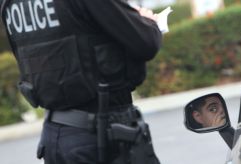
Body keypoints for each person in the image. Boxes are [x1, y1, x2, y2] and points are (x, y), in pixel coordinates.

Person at [0, 0, 162, 164]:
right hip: (102, 135)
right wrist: (148, 22)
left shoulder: (10, 3)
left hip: (56, 135)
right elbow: (146, 42)